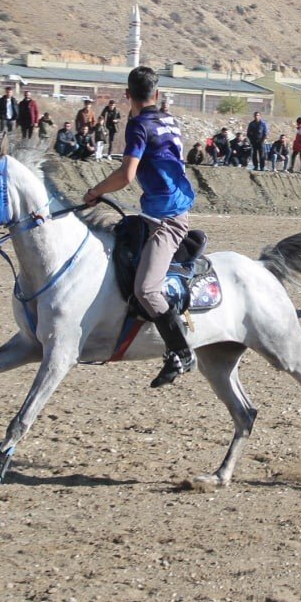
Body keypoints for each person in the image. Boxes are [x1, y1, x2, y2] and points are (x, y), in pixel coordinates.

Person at [82, 66, 197, 388]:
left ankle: (181, 351)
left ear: (127, 95)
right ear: (157, 94)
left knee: (146, 289)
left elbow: (126, 175)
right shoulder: (170, 119)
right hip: (158, 210)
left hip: (168, 218)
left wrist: (95, 192)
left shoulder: (137, 126)